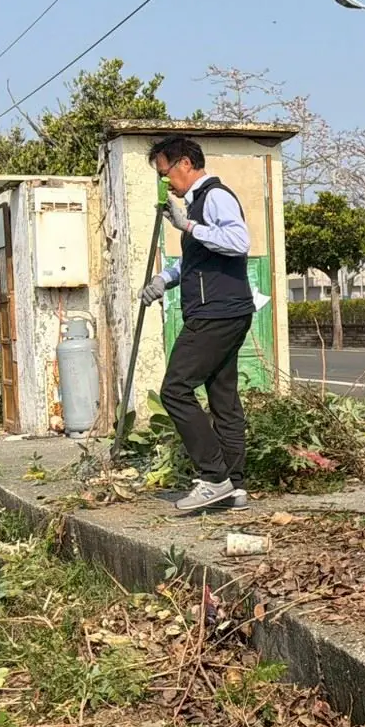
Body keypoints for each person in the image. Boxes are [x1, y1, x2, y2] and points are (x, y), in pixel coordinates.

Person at [138, 134, 255, 513]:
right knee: (223, 399)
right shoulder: (197, 204)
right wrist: (163, 280)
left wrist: (187, 226)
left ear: (185, 163)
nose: (166, 182)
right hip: (224, 309)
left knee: (175, 390)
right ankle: (234, 487)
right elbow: (197, 259)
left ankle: (214, 477)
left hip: (216, 312)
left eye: (165, 173)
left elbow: (238, 242)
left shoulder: (215, 196)